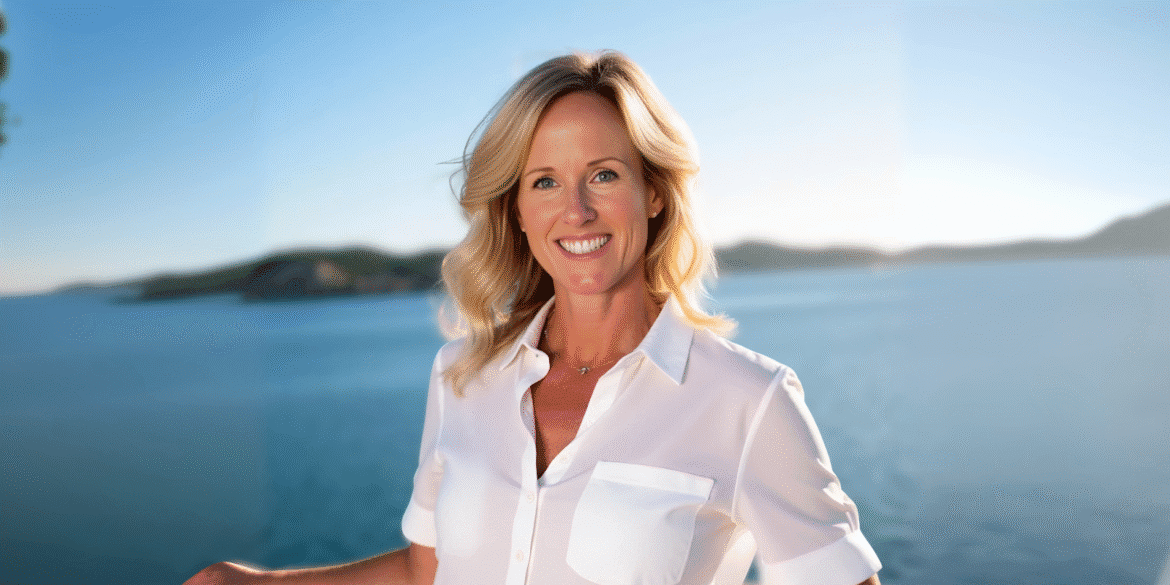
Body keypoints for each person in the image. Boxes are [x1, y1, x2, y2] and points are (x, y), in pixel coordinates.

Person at [186, 51, 882, 585]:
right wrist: (262, 582)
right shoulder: (461, 375)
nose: (575, 210)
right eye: (543, 181)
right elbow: (430, 570)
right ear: (516, 209)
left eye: (605, 174)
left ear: (655, 194)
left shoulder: (747, 401)